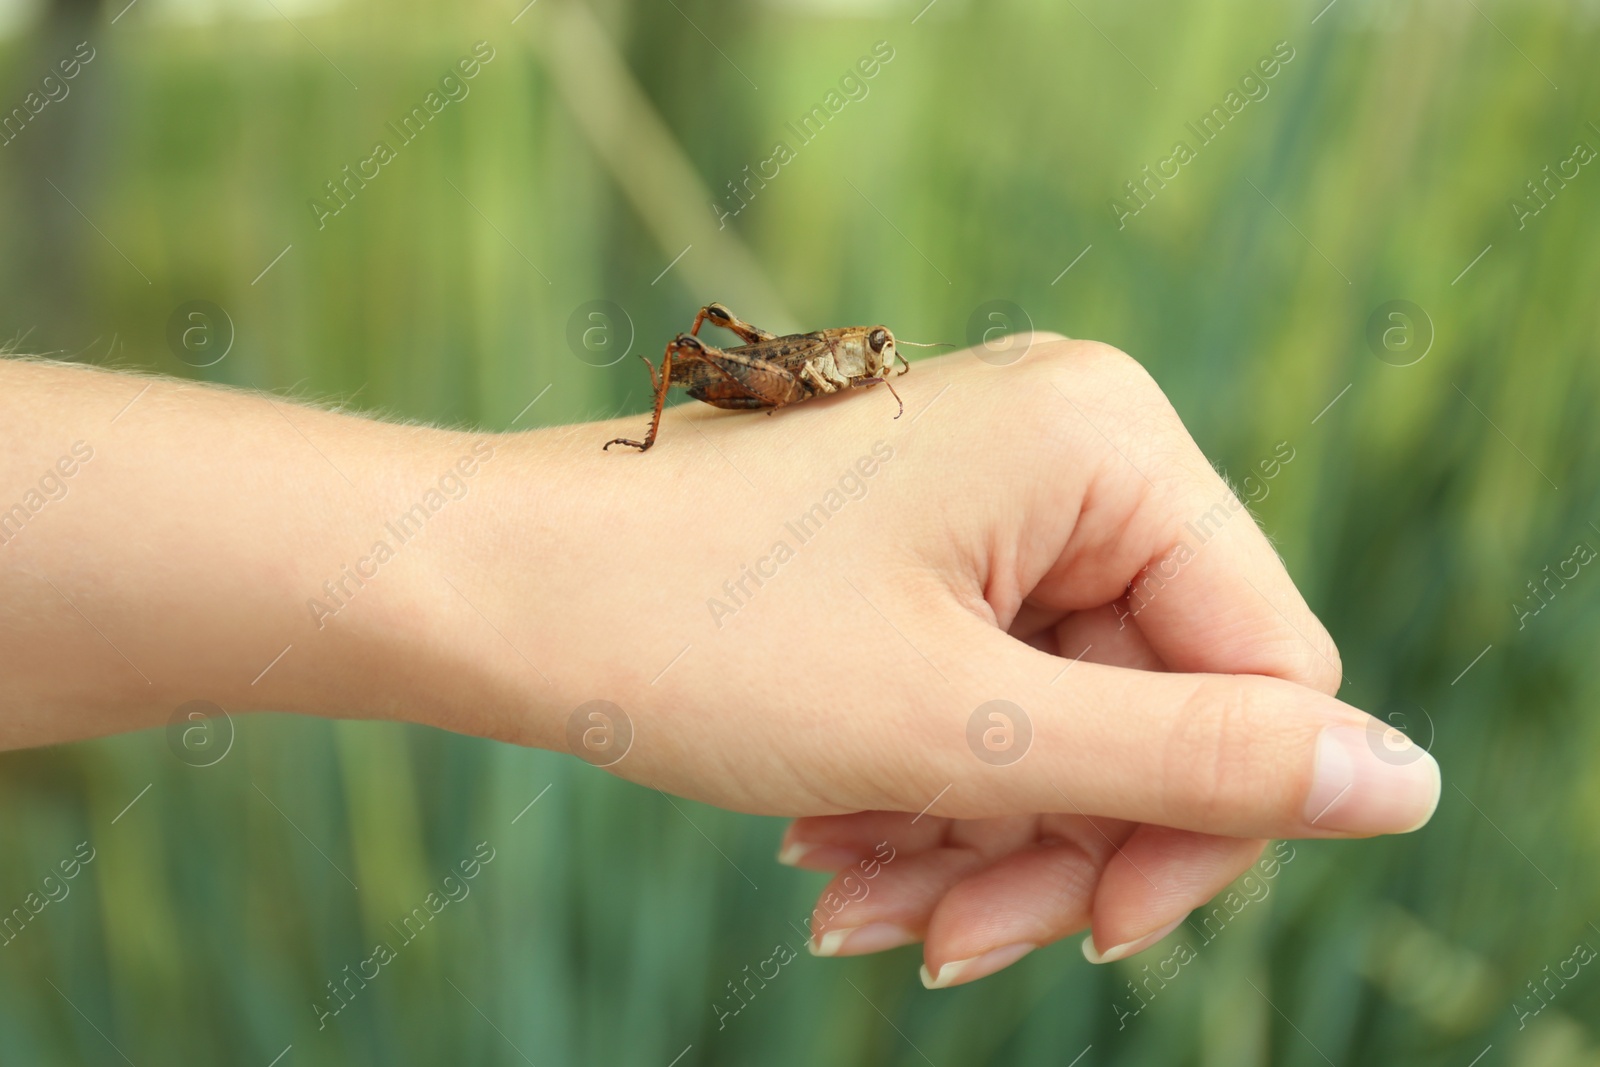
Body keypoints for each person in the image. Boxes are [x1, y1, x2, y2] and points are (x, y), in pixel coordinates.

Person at [0, 334, 1439, 989]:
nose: (871, 367)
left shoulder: (860, 383)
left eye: (876, 357)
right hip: (744, 377)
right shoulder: (805, 379)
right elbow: (757, 373)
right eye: (864, 357)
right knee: (699, 349)